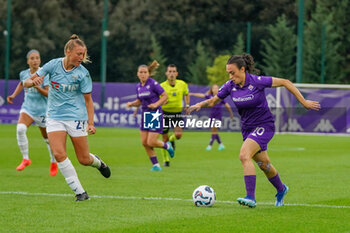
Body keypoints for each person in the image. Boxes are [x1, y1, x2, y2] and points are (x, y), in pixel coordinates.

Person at [187, 54, 321, 208]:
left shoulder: (257, 81)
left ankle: (250, 197)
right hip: (248, 129)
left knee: (244, 155)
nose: (230, 76)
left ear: (242, 69)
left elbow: (285, 82)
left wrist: (303, 102)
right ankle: (281, 189)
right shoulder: (230, 86)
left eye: (232, 72)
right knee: (264, 165)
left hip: (264, 126)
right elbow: (213, 100)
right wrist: (199, 105)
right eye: (228, 73)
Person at [25, 34, 111, 202]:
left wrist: (91, 123)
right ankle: (80, 192)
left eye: (83, 54)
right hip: (54, 117)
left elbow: (88, 101)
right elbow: (28, 82)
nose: (82, 57)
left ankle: (99, 163)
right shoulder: (53, 65)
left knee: (84, 159)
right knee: (58, 153)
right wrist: (32, 82)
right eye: (79, 54)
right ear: (68, 51)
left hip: (76, 118)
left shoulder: (83, 74)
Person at [7, 49, 58, 176]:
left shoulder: (44, 74)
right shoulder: (24, 73)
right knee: (20, 129)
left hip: (43, 111)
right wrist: (13, 95)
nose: (35, 60)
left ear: (40, 60)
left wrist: (36, 86)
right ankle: (26, 158)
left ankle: (53, 162)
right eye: (32, 58)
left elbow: (48, 94)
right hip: (28, 108)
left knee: (48, 140)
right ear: (28, 61)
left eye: (37, 58)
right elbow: (22, 83)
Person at [126, 61, 174, 171]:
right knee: (144, 142)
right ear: (137, 74)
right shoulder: (138, 86)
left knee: (151, 142)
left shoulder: (153, 84)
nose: (143, 74)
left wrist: (156, 104)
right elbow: (140, 101)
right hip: (145, 115)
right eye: (141, 72)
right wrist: (132, 104)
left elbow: (165, 96)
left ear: (148, 73)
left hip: (155, 115)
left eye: (145, 72)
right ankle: (156, 165)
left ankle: (167, 146)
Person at [160, 64, 189, 167]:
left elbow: (186, 93)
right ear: (166, 73)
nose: (171, 74)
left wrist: (187, 105)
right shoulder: (162, 86)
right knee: (164, 139)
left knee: (178, 135)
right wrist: (162, 102)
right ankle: (166, 160)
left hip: (176, 113)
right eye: (170, 71)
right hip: (164, 114)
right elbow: (157, 99)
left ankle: (172, 140)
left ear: (176, 73)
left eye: (173, 71)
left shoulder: (182, 84)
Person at [189, 84, 234, 151]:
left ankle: (210, 145)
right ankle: (221, 145)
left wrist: (231, 114)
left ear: (218, 89)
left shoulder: (220, 98)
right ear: (212, 90)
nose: (215, 89)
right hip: (212, 116)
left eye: (216, 88)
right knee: (214, 131)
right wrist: (192, 94)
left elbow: (227, 106)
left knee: (214, 131)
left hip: (218, 116)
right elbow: (201, 95)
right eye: (214, 88)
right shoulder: (210, 96)